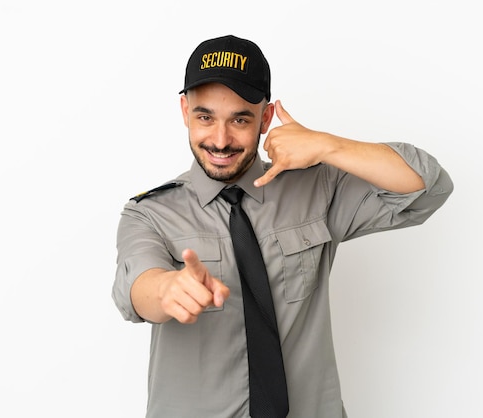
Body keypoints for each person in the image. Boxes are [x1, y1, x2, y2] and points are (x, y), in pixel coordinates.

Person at [112, 34, 453, 418]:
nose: (220, 140)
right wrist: (167, 290)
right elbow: (136, 287)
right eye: (205, 117)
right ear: (184, 110)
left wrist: (327, 145)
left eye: (240, 119)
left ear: (266, 117)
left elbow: (429, 185)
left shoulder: (318, 189)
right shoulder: (150, 212)